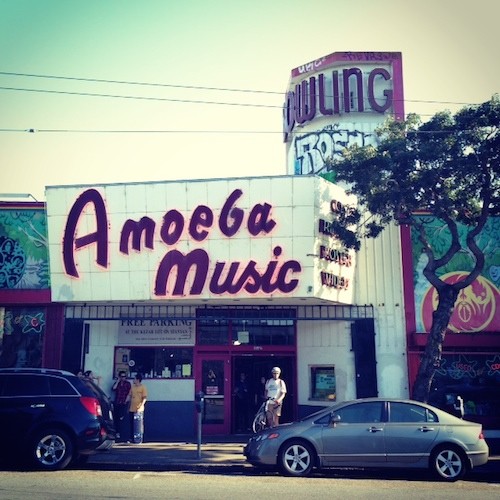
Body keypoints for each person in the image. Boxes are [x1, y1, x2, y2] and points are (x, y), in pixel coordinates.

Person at [111, 370, 131, 442]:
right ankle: (117, 433)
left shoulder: (128, 384)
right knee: (116, 418)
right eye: (121, 376)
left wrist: (127, 400)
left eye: (124, 376)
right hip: (117, 402)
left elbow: (129, 393)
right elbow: (113, 388)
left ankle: (121, 433)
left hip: (123, 403)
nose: (123, 378)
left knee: (121, 417)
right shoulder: (118, 384)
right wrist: (118, 381)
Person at [129, 373, 148, 443]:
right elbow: (130, 395)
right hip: (132, 408)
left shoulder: (143, 387)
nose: (133, 380)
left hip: (139, 409)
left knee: (139, 424)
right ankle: (132, 438)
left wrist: (141, 405)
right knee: (132, 423)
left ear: (138, 380)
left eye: (134, 378)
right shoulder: (132, 387)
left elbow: (145, 398)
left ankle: (140, 438)